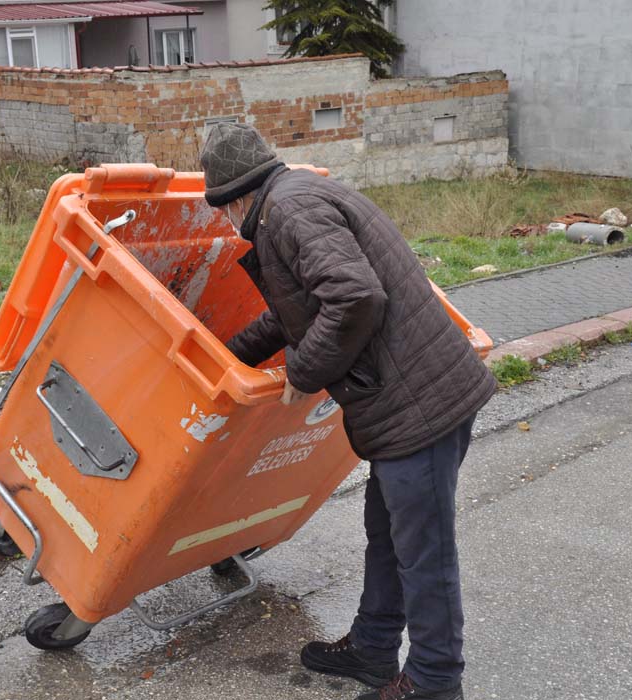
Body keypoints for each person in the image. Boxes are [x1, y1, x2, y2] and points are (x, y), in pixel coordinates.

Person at [200, 123, 497, 700]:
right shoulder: (296, 196)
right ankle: (373, 647)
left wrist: (302, 372)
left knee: (424, 552)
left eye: (221, 210)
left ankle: (435, 681)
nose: (225, 222)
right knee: (387, 533)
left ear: (233, 196)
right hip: (407, 400)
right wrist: (225, 357)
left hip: (418, 404)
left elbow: (355, 296)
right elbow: (296, 312)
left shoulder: (288, 212)